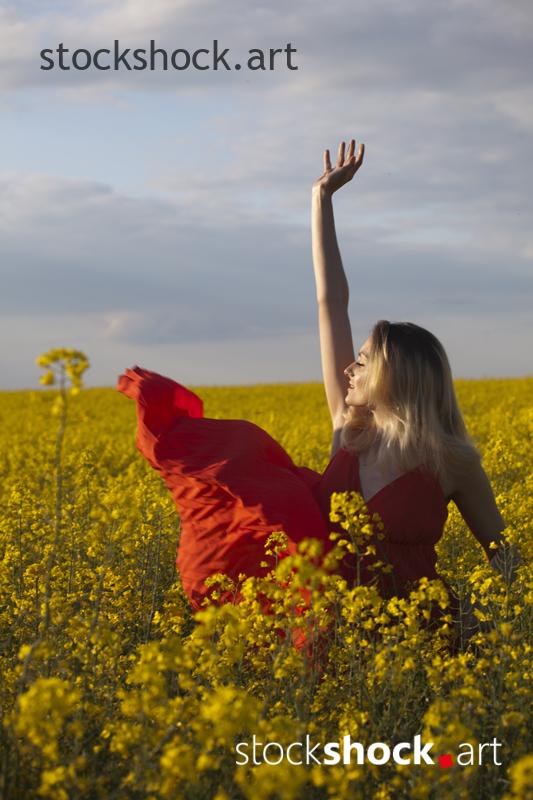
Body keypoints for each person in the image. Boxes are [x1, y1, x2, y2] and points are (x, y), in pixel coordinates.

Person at [117, 138, 519, 650]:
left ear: (395, 378)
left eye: (364, 360)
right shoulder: (349, 432)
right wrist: (321, 200)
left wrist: (501, 633)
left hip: (423, 642)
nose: (349, 368)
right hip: (337, 644)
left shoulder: (453, 461)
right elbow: (331, 304)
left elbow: (503, 558)